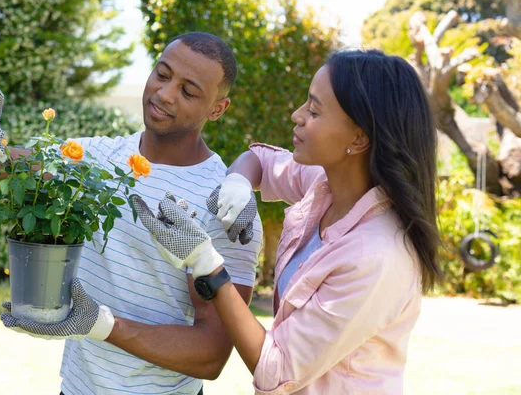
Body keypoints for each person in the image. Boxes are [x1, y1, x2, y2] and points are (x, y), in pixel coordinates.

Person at [0, 32, 263, 395]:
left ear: (217, 109)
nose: (165, 94)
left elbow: (211, 354)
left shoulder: (226, 204)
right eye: (162, 74)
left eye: (189, 91)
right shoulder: (94, 160)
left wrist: (99, 324)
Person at [132, 49, 443, 394]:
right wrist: (237, 184)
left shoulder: (375, 257)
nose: (296, 116)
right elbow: (261, 161)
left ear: (358, 139)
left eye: (313, 110)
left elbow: (276, 371)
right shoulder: (324, 187)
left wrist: (206, 263)